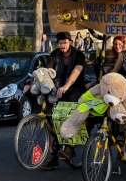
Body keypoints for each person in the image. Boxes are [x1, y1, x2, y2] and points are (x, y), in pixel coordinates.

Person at [24, 31, 86, 169]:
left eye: (65, 42)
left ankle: (70, 147)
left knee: (71, 113)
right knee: (49, 117)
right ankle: (53, 155)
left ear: (70, 42)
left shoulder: (79, 55)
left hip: (75, 88)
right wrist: (31, 84)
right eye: (60, 43)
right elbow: (46, 73)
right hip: (57, 89)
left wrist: (66, 86)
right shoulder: (54, 55)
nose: (63, 46)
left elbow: (76, 71)